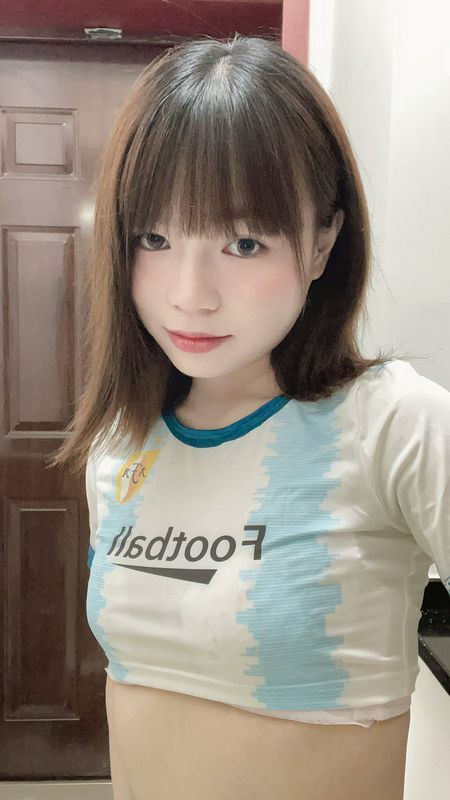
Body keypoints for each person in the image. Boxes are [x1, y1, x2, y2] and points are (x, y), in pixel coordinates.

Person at [49, 33, 450, 800]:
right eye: (155, 238)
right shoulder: (121, 444)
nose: (189, 294)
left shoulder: (397, 427)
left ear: (323, 242)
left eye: (242, 241)